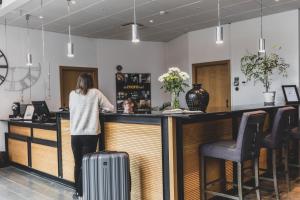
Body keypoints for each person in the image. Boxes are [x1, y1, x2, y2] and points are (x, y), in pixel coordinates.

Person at [69, 73, 114, 200]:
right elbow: (110, 108)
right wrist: (98, 109)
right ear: (91, 82)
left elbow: (73, 110)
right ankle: (87, 193)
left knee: (77, 163)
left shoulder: (72, 94)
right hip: (90, 135)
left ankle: (78, 193)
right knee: (87, 164)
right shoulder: (95, 93)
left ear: (79, 82)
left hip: (75, 135)